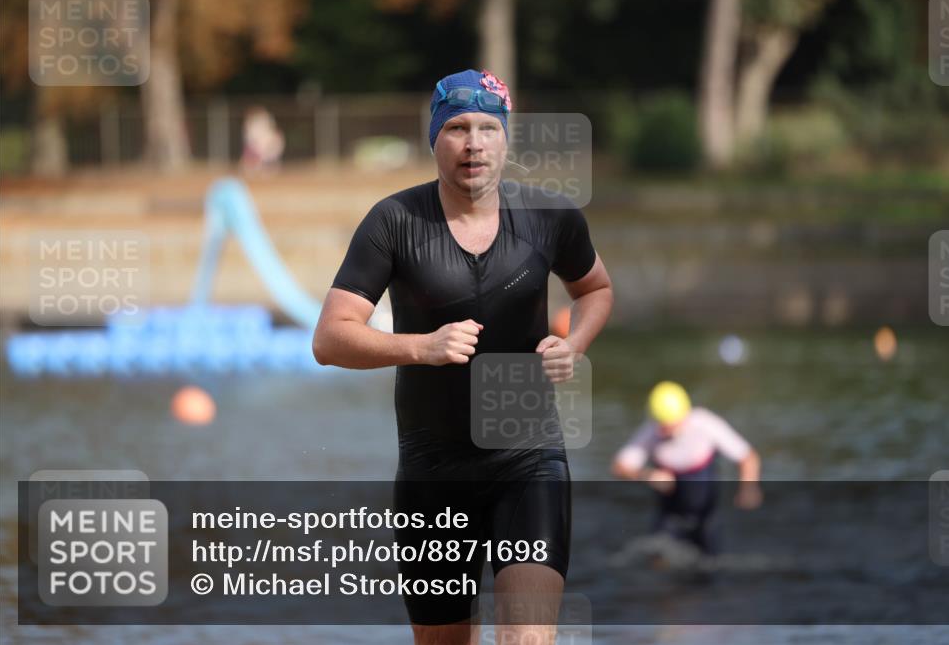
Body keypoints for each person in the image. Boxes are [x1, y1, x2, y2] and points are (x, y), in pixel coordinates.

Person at [313, 69, 613, 645]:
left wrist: (573, 343)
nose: (473, 143)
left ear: (505, 139)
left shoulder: (552, 218)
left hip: (528, 459)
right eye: (455, 128)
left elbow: (595, 289)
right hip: (432, 469)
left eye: (486, 128)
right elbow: (330, 338)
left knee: (527, 639)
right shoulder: (393, 222)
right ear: (434, 139)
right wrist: (421, 347)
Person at [611, 381, 762, 555]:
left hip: (706, 516)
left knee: (710, 566)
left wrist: (749, 488)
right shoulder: (651, 431)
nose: (665, 432)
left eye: (670, 426)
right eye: (662, 427)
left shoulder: (705, 424)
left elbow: (748, 458)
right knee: (659, 561)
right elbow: (619, 466)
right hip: (669, 517)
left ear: (684, 415)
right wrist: (647, 474)